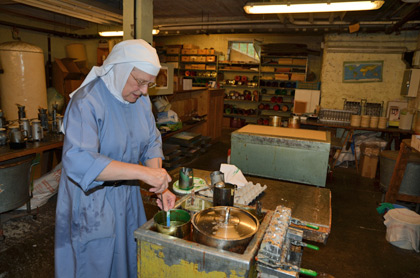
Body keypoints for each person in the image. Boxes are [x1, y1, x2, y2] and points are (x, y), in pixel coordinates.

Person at [54, 39, 176, 278]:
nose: (143, 91)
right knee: (95, 264)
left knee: (127, 259)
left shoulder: (140, 100)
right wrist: (143, 173)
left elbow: (151, 141)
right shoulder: (87, 102)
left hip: (126, 197)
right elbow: (79, 159)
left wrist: (159, 186)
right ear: (119, 69)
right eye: (140, 82)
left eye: (149, 84)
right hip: (92, 201)